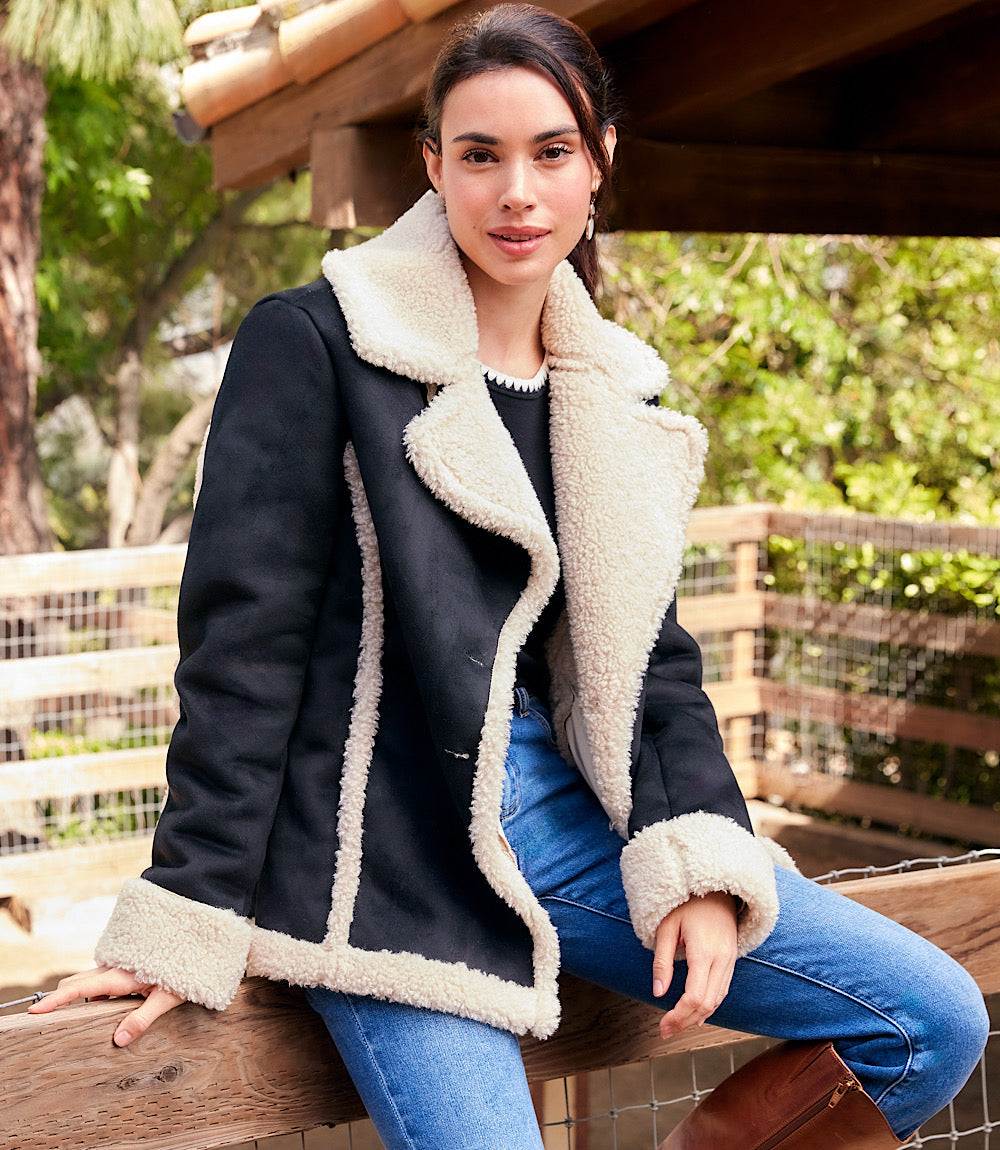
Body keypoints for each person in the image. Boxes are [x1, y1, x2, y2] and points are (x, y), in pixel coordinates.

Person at [29, 4, 989, 1146]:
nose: (516, 192)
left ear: (600, 162)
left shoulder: (606, 396)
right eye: (479, 155)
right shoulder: (319, 342)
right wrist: (185, 910)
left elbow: (655, 665)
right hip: (386, 853)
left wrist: (699, 859)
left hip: (567, 815)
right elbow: (244, 643)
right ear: (433, 166)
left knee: (930, 1018)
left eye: (550, 152)